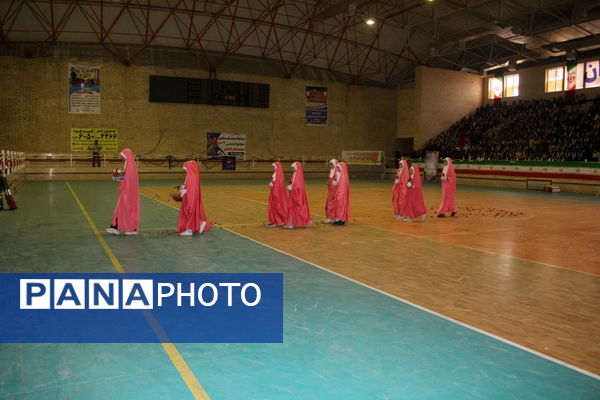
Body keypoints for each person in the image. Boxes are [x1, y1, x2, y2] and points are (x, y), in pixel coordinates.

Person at [107, 149, 140, 235]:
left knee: (123, 209)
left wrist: (117, 177)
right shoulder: (130, 164)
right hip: (129, 191)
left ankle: (119, 227)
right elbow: (127, 176)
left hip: (127, 192)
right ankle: (129, 228)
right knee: (125, 209)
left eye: (122, 155)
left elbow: (127, 178)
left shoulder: (130, 165)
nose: (121, 157)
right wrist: (119, 175)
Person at [177, 161, 213, 236]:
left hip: (191, 197)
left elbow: (192, 188)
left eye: (186, 168)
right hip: (191, 196)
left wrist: (185, 191)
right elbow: (191, 186)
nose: (185, 169)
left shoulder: (191, 176)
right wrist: (184, 188)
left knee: (190, 210)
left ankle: (189, 230)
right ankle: (201, 222)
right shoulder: (193, 175)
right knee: (194, 210)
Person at [284, 161, 312, 229]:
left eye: (293, 168)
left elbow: (298, 187)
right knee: (291, 209)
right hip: (293, 195)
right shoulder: (294, 175)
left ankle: (305, 221)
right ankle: (290, 223)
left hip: (297, 196)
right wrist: (291, 186)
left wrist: (292, 188)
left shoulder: (298, 176)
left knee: (299, 210)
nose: (292, 169)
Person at [266, 162, 288, 227]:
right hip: (273, 194)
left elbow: (279, 186)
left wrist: (273, 186)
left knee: (279, 208)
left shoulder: (279, 175)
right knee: (273, 208)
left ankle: (287, 220)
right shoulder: (275, 174)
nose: (273, 168)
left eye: (274, 167)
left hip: (277, 195)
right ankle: (274, 221)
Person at [332, 161, 350, 225]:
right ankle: (337, 218)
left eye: (339, 168)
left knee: (341, 205)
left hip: (341, 195)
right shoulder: (338, 174)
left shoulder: (344, 177)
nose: (338, 169)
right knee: (337, 205)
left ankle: (341, 219)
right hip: (338, 193)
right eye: (337, 167)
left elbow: (342, 188)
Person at [324, 159, 338, 224]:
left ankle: (331, 217)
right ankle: (330, 217)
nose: (330, 166)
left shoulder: (337, 171)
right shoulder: (331, 171)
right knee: (329, 203)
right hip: (330, 190)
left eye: (332, 164)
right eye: (330, 164)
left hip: (334, 191)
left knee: (331, 203)